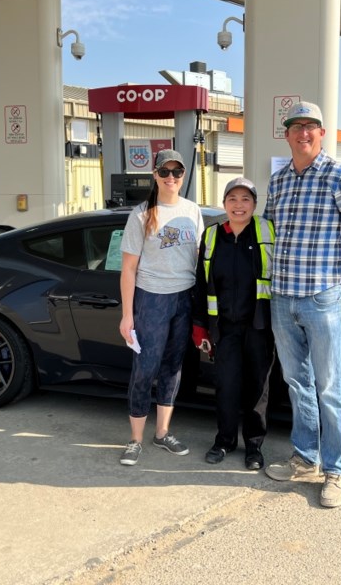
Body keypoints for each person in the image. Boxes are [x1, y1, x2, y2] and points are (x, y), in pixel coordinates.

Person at [262, 101, 341, 508]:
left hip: (322, 298)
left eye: (311, 127)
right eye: (296, 127)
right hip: (283, 298)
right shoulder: (279, 181)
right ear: (287, 134)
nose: (303, 133)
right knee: (297, 383)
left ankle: (336, 472)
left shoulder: (339, 175)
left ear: (322, 133)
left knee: (329, 387)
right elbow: (271, 234)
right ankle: (305, 459)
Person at [117, 149, 205, 466]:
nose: (171, 178)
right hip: (151, 298)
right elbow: (128, 269)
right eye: (164, 172)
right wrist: (127, 315)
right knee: (145, 368)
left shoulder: (192, 211)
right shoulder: (141, 214)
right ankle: (135, 439)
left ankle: (162, 433)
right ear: (155, 175)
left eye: (177, 172)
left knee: (173, 367)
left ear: (183, 176)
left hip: (184, 297)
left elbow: (198, 259)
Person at [191, 177, 276, 471]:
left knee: (257, 388)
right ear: (224, 204)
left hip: (259, 327)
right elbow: (201, 284)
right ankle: (224, 441)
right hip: (224, 328)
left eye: (245, 199)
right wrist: (200, 325)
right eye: (232, 199)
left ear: (254, 204)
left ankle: (254, 446)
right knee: (226, 386)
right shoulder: (212, 235)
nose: (238, 205)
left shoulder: (267, 232)